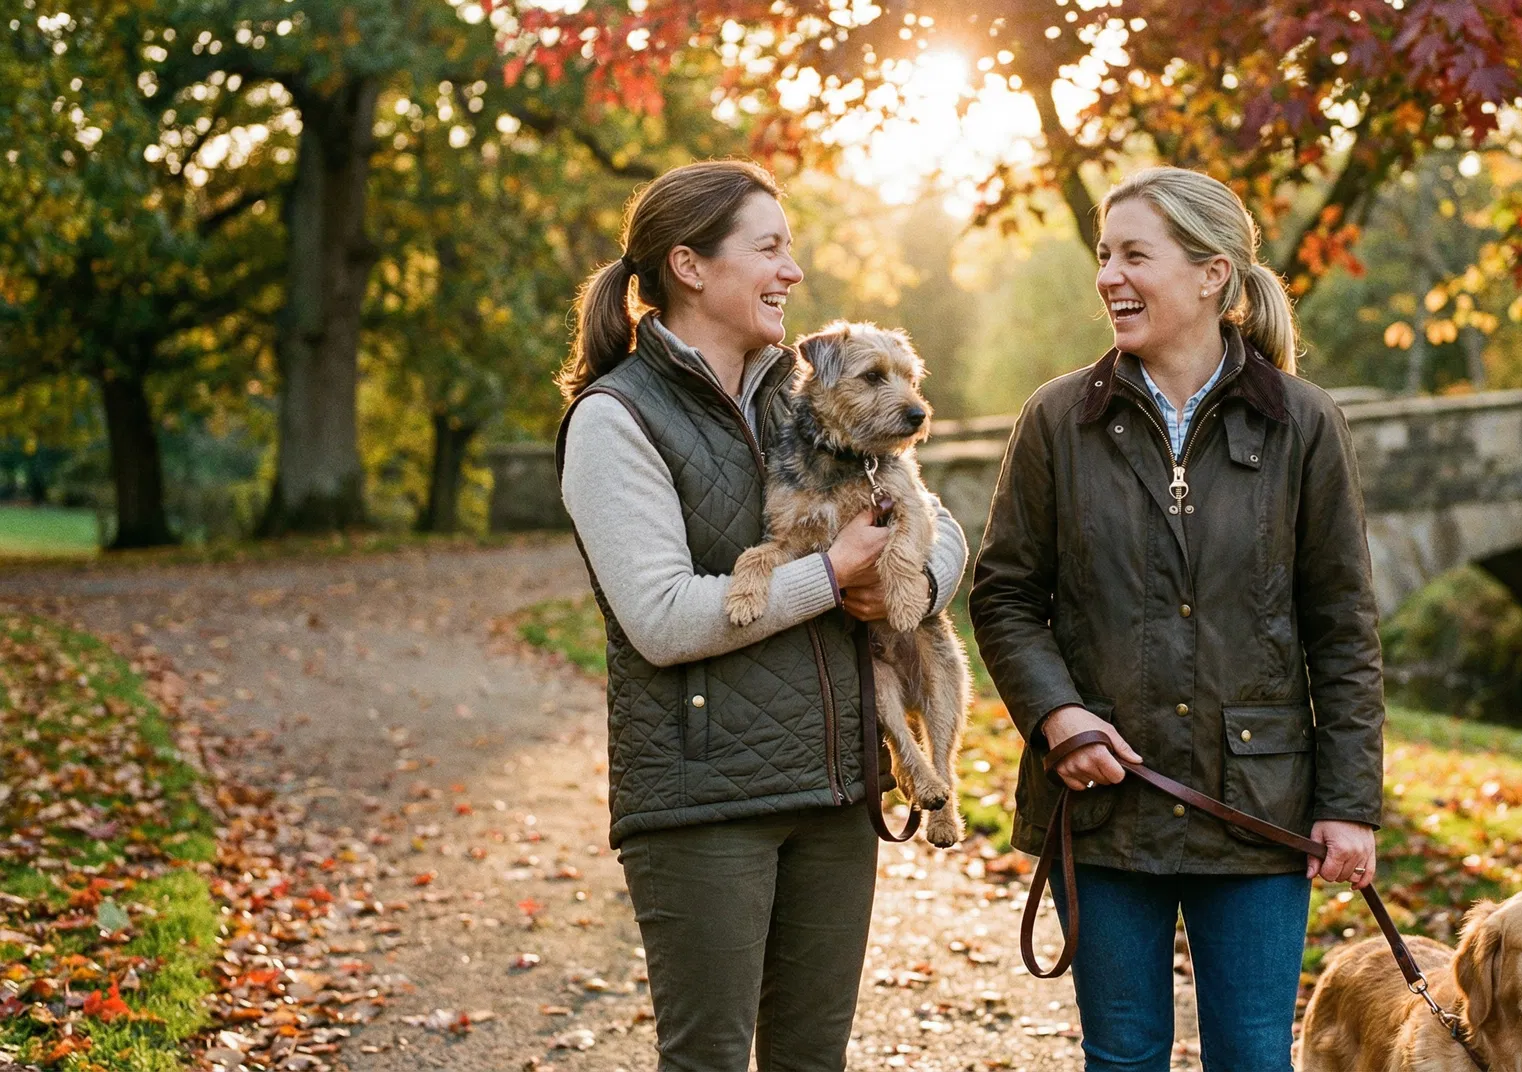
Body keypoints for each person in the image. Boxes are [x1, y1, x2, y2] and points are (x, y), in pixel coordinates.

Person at [555, 160, 969, 1071]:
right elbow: (662, 619)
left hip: (835, 787)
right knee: (707, 1058)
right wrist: (832, 574)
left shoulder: (811, 389)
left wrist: (914, 586)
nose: (792, 272)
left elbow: (940, 524)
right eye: (770, 249)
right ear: (691, 265)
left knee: (812, 1062)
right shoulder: (616, 419)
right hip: (705, 803)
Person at [970, 165, 1385, 1071]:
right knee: (1121, 1057)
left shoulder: (1305, 424)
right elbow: (1003, 596)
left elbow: (1342, 628)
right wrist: (1057, 716)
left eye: (1134, 256)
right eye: (1103, 256)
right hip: (1104, 805)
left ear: (1213, 276)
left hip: (1260, 808)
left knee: (1251, 1058)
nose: (1110, 276)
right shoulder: (1056, 421)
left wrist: (1350, 805)